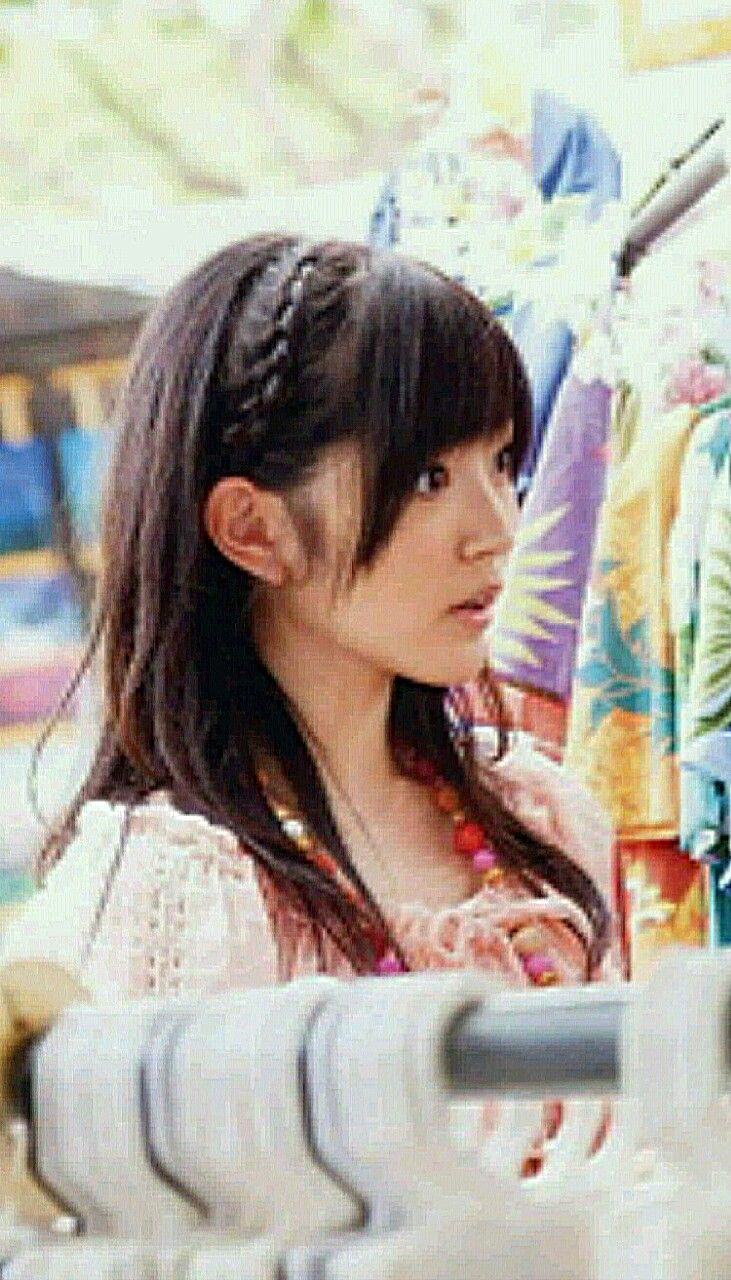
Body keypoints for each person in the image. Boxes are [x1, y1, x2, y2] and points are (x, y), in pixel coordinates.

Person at [0, 234, 614, 1002]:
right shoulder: (172, 898)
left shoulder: (543, 819)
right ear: (254, 530)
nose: (496, 529)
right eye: (428, 478)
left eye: (500, 463)